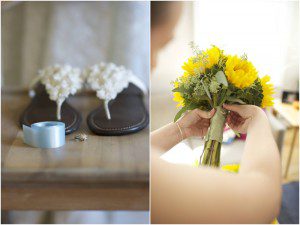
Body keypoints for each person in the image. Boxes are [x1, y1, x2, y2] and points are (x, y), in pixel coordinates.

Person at [150, 2, 281, 223]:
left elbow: (136, 156)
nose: (153, 63)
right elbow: (262, 201)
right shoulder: (153, 182)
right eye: (160, 46)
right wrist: (259, 119)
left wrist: (180, 129)